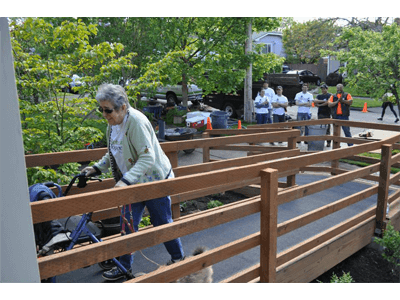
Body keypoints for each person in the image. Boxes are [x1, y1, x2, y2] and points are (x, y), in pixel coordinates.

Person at [82, 83, 185, 281]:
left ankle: (179, 259)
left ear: (123, 107)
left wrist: (125, 181)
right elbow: (114, 151)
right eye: (101, 109)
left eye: (108, 110)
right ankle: (124, 267)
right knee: (127, 226)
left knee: (162, 223)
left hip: (153, 182)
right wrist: (96, 168)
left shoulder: (136, 122)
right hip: (131, 183)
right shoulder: (113, 123)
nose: (104, 114)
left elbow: (148, 158)